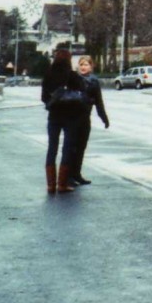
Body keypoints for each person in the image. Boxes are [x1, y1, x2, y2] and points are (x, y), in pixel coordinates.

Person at [40, 45, 86, 194]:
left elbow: (43, 97)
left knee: (52, 148)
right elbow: (82, 89)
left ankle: (50, 185)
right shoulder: (71, 75)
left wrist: (52, 102)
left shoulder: (48, 74)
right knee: (67, 148)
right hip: (70, 116)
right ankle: (62, 184)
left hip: (53, 116)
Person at [70, 55, 110, 185]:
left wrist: (104, 118)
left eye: (86, 64)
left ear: (91, 67)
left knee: (81, 147)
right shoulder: (73, 79)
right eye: (81, 64)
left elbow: (99, 101)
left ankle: (77, 174)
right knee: (72, 148)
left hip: (85, 119)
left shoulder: (94, 82)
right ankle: (68, 175)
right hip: (72, 118)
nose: (83, 67)